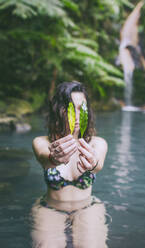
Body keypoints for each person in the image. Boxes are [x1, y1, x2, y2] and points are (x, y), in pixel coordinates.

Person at [31, 81, 109, 248]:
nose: (78, 114)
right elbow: (45, 157)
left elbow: (98, 164)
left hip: (88, 207)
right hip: (50, 208)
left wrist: (92, 162)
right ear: (59, 111)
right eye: (72, 109)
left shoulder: (97, 143)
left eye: (83, 108)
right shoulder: (42, 142)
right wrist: (54, 158)